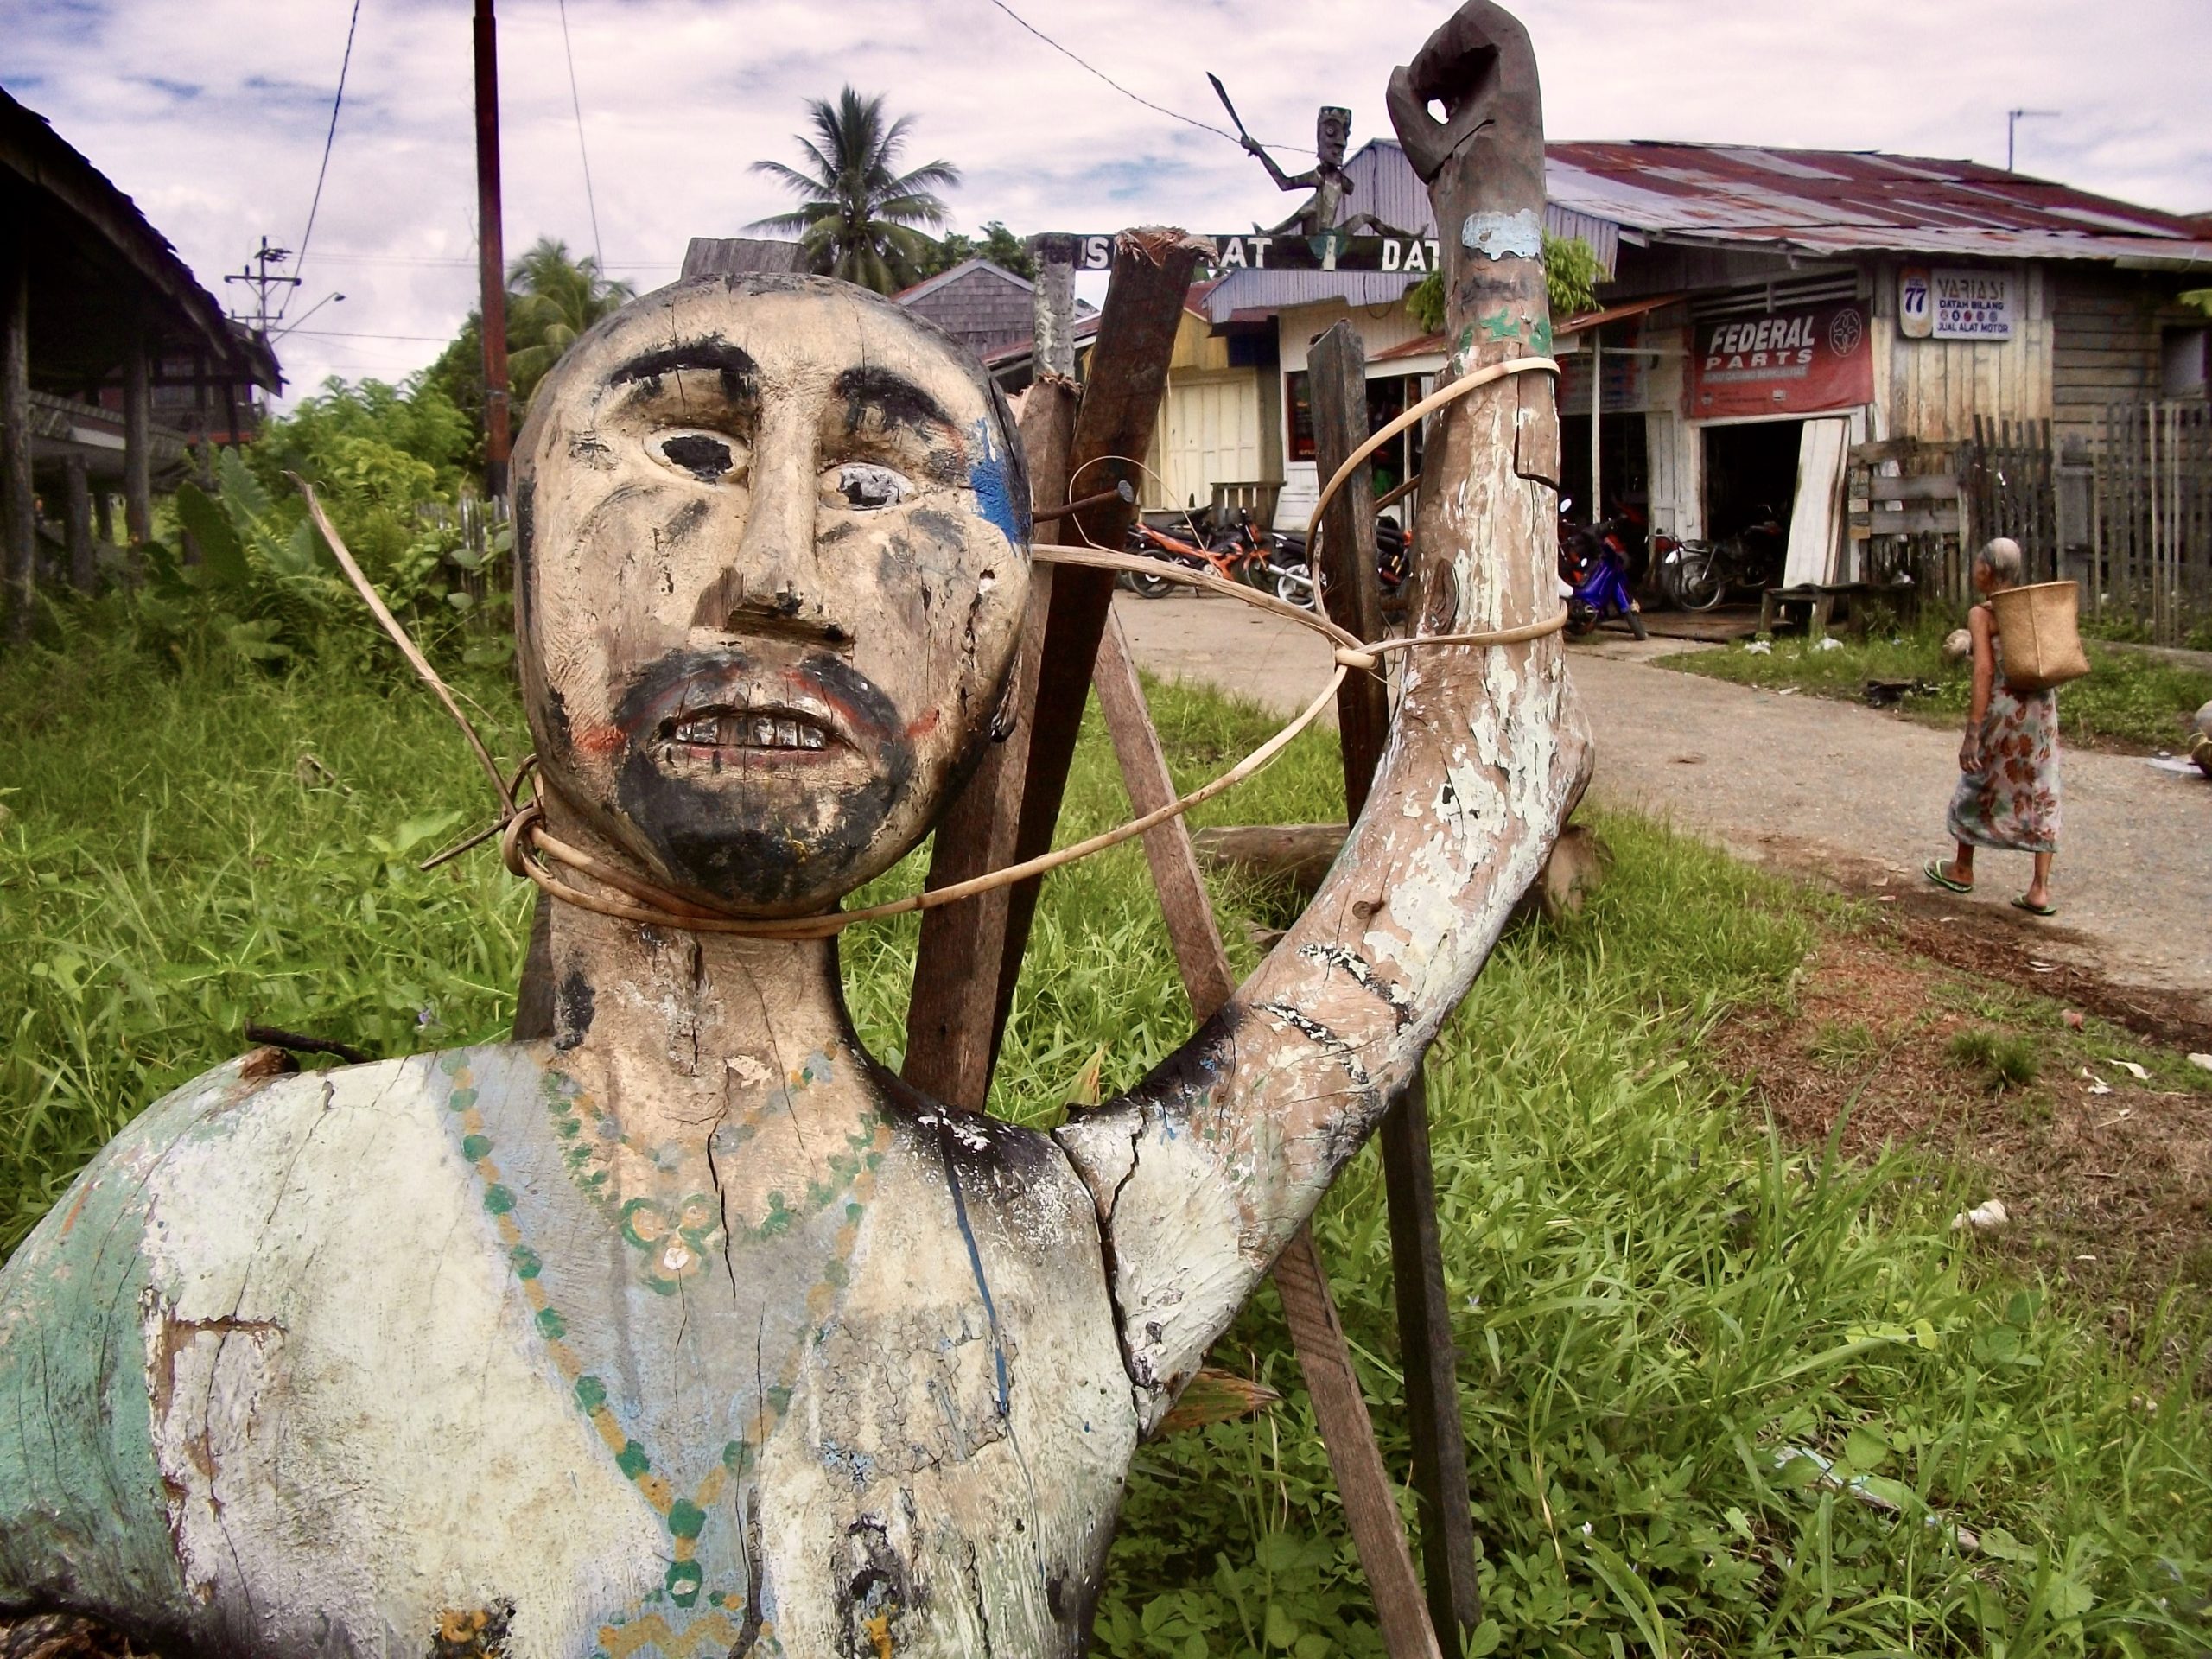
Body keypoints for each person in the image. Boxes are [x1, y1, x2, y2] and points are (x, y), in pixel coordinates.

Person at [1924, 537, 2061, 914]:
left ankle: (1963, 868)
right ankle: (2039, 889)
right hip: (2041, 711)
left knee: (1978, 779)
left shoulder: (1982, 614)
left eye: (1977, 564)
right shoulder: (2034, 606)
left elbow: (1984, 669)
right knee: (2041, 786)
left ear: (1987, 570)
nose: (1974, 570)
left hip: (2002, 709)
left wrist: (1972, 731)